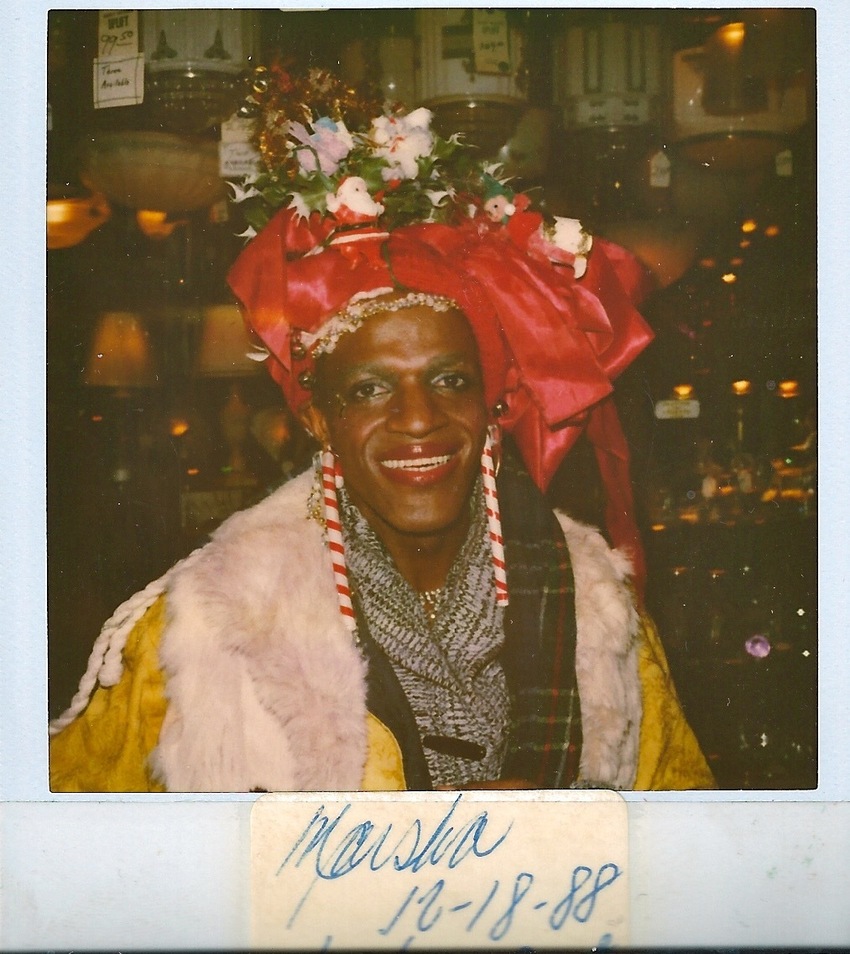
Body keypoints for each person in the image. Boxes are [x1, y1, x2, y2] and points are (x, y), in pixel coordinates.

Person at [49, 69, 714, 792]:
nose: (420, 418)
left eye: (450, 380)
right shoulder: (204, 629)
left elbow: (680, 845)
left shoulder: (597, 608)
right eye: (369, 389)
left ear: (495, 398)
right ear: (317, 418)